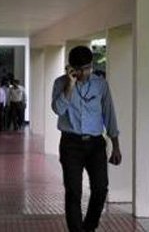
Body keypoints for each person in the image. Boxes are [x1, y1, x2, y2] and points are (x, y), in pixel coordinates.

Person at [51, 46, 121, 232]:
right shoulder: (60, 83)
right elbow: (58, 109)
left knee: (100, 188)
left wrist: (116, 146)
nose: (84, 73)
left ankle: (89, 228)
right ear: (71, 68)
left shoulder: (101, 84)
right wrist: (70, 85)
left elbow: (109, 114)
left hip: (96, 144)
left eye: (87, 68)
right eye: (79, 69)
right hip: (70, 144)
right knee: (73, 191)